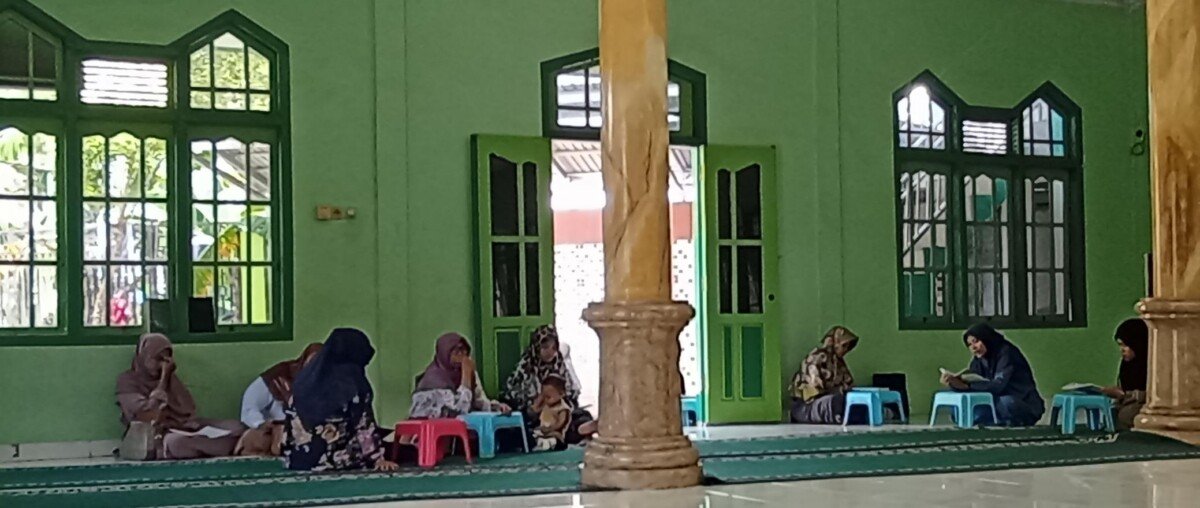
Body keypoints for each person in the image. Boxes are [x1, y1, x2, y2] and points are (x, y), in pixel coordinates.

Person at [282, 328, 398, 472]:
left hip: (299, 459)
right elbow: (364, 426)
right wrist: (378, 459)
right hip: (337, 461)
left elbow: (290, 426)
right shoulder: (354, 384)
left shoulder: (305, 380)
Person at [116, 333, 245, 460]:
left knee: (237, 427)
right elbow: (148, 415)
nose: (162, 365)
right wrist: (164, 380)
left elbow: (188, 411)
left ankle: (210, 446)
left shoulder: (172, 380)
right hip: (156, 435)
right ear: (143, 357)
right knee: (178, 442)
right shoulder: (127, 381)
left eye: (166, 360)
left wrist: (168, 379)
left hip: (184, 428)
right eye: (157, 359)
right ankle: (220, 447)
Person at [502, 325, 596, 444]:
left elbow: (570, 394)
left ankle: (580, 431)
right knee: (522, 431)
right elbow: (514, 398)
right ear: (537, 347)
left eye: (554, 348)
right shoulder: (526, 368)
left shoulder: (558, 364)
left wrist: (561, 405)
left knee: (581, 416)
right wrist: (539, 406)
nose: (550, 352)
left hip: (559, 413)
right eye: (545, 347)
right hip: (535, 417)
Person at [942, 323, 1045, 427]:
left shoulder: (1006, 353)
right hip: (996, 401)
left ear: (986, 338)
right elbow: (973, 379)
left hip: (1022, 402)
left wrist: (967, 386)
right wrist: (954, 383)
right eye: (969, 345)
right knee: (960, 404)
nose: (973, 347)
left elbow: (998, 385)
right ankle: (990, 422)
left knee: (1006, 403)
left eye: (976, 341)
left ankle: (1001, 422)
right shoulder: (979, 359)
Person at [236, 342, 323, 456]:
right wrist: (261, 424)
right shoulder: (280, 376)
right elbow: (249, 406)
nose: (313, 369)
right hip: (274, 433)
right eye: (311, 363)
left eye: (319, 364)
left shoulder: (329, 383)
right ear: (303, 361)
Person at [409, 332, 510, 419]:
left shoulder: (464, 371)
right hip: (434, 431)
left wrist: (495, 407)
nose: (461, 355)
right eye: (456, 351)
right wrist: (466, 378)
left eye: (464, 351)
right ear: (445, 354)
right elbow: (459, 410)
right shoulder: (433, 380)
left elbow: (479, 401)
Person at [789, 326, 859, 424]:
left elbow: (849, 384)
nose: (846, 349)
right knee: (835, 402)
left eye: (848, 347)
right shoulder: (817, 357)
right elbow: (812, 392)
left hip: (827, 401)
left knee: (853, 401)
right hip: (806, 406)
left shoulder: (839, 362)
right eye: (843, 346)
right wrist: (837, 391)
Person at [1101, 318, 1149, 430]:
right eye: (1120, 345)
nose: (1122, 350)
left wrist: (1125, 395)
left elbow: (1152, 394)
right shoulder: (1127, 365)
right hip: (1128, 402)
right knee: (1112, 412)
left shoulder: (1152, 363)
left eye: (1125, 345)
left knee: (1126, 415)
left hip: (1143, 404)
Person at [531, 375, 572, 451]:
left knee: (553, 437)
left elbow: (560, 423)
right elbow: (535, 409)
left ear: (561, 394)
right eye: (544, 396)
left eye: (548, 397)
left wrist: (550, 429)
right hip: (544, 432)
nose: (545, 399)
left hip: (556, 434)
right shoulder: (546, 404)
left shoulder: (562, 408)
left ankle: (549, 446)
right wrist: (541, 397)